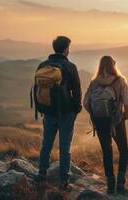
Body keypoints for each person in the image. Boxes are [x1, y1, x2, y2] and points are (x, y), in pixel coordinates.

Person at [33, 36, 82, 190]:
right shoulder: (69, 66)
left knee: (46, 144)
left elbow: (38, 89)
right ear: (66, 49)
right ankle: (63, 181)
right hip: (66, 112)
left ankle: (41, 175)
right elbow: (77, 91)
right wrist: (76, 109)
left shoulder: (43, 65)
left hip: (48, 111)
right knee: (64, 147)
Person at [83, 56, 128, 194]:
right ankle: (121, 183)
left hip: (100, 121)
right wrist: (126, 115)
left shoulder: (94, 82)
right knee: (123, 150)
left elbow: (86, 102)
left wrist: (94, 114)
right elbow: (127, 100)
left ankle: (110, 184)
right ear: (113, 66)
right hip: (116, 121)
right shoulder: (120, 81)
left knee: (106, 151)